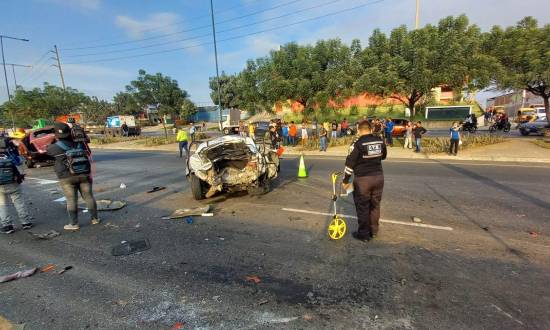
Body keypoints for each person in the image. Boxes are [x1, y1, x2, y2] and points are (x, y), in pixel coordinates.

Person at [47, 122, 99, 231]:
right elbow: (88, 152)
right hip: (84, 174)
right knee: (89, 196)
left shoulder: (54, 147)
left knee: (71, 200)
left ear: (56, 134)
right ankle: (95, 219)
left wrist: (54, 139)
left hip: (66, 177)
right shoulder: (79, 143)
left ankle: (74, 224)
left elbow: (48, 152)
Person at [342, 120, 387, 242]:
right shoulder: (379, 140)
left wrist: (345, 180)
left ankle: (363, 234)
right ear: (371, 129)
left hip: (363, 180)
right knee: (375, 205)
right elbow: (383, 156)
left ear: (359, 130)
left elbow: (349, 164)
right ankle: (374, 231)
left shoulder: (358, 143)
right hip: (378, 177)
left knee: (363, 207)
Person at [0, 136, 33, 234]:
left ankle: (7, 226)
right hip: (13, 181)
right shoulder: (12, 152)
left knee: (2, 205)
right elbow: (20, 164)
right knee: (19, 202)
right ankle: (26, 222)